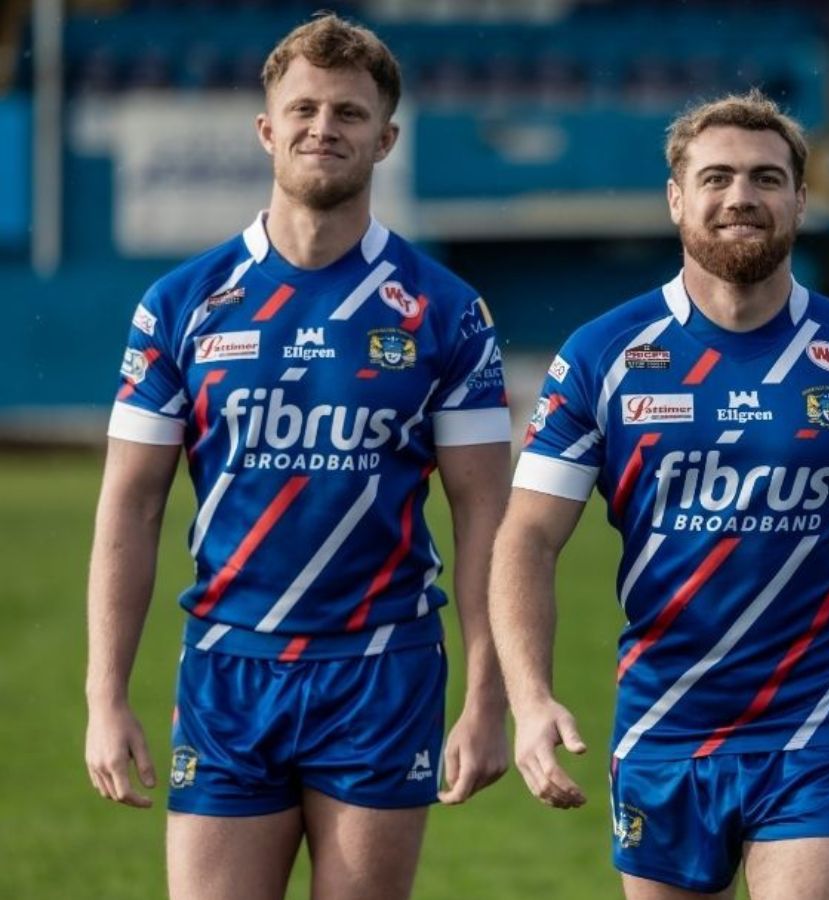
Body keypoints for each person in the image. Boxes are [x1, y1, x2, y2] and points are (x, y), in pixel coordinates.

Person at [489, 90, 829, 900]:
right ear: (676, 198)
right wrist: (529, 702)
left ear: (802, 200)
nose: (741, 197)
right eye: (717, 177)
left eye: (767, 179)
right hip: (663, 730)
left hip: (814, 734)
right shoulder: (603, 356)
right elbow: (527, 537)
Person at [84, 14, 510, 899]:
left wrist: (489, 697)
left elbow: (487, 517)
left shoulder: (446, 311)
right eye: (305, 108)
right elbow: (131, 505)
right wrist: (104, 697)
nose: (326, 127)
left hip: (383, 670)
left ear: (386, 138)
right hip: (228, 668)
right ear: (267, 129)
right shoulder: (181, 304)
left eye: (351, 114)